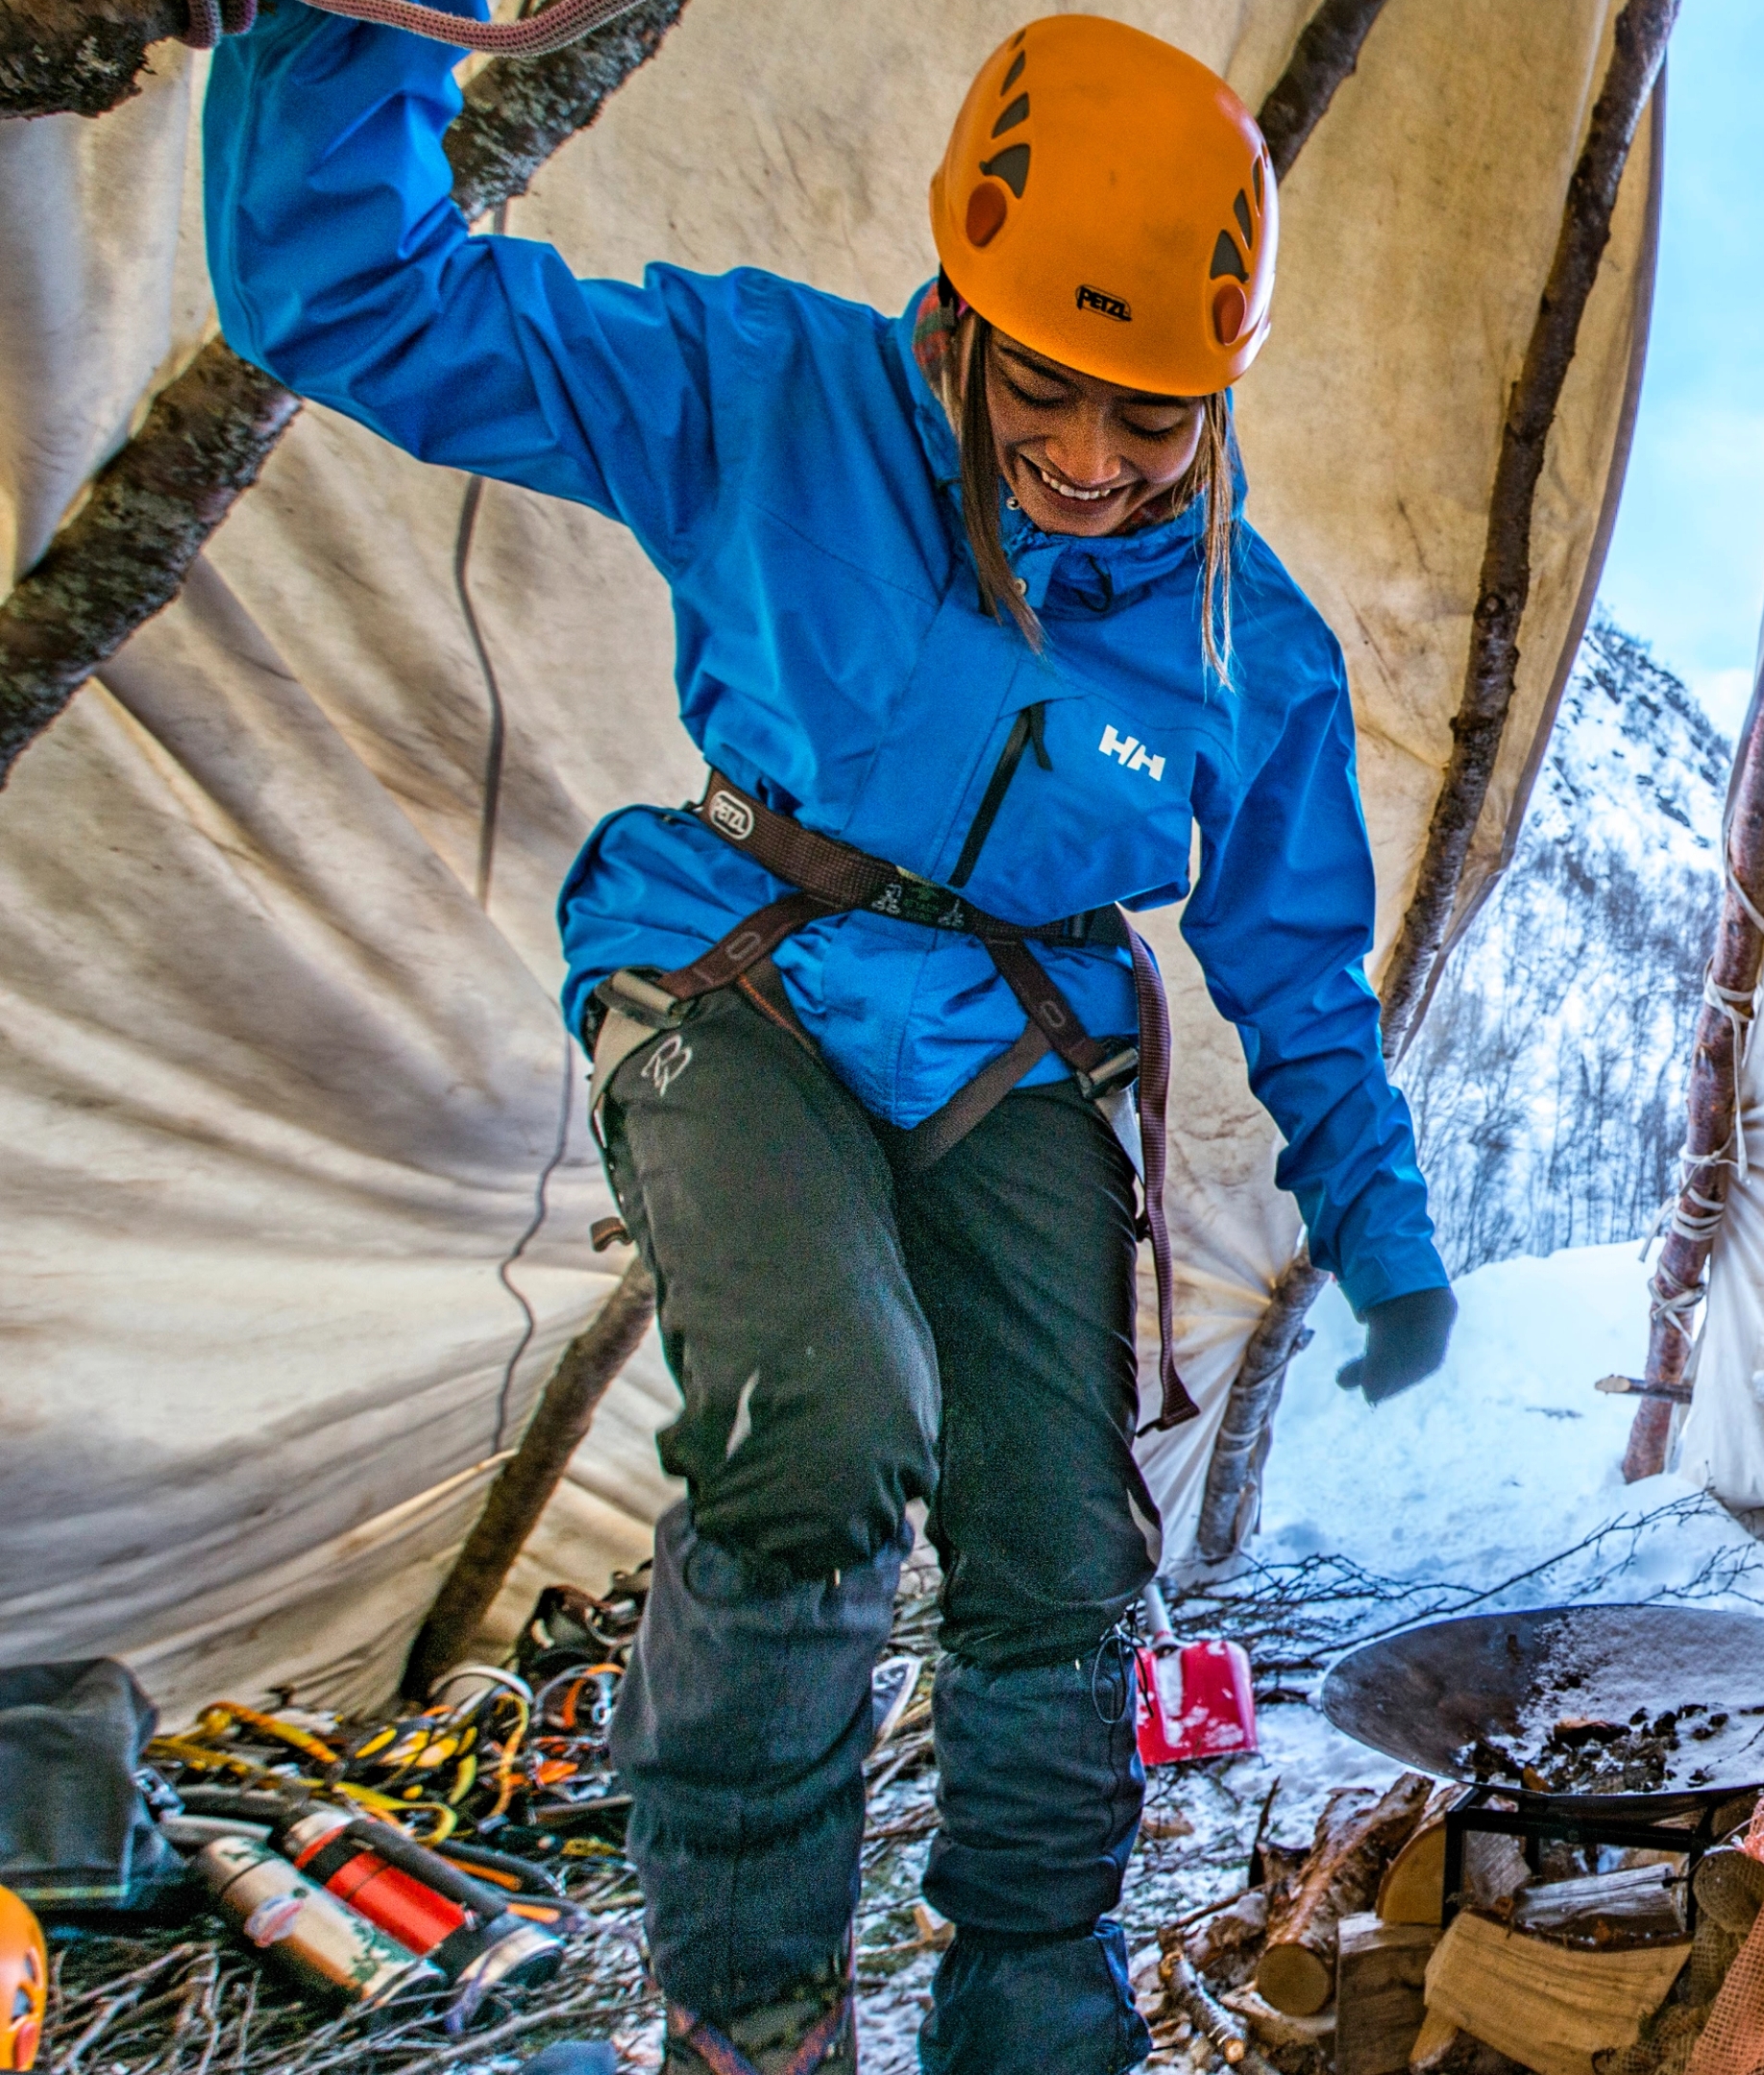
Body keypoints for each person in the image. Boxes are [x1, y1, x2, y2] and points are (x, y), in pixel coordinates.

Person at [206, 10, 1456, 2070]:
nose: (1087, 452)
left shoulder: (1257, 648)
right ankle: (754, 2017)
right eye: (1042, 381)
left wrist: (1386, 1241)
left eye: (1151, 417)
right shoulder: (767, 395)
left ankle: (1035, 2015)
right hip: (738, 975)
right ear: (956, 310)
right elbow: (363, 295)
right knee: (826, 1425)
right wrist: (362, 32)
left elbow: (1299, 970)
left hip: (1012, 1045)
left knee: (1059, 1542)